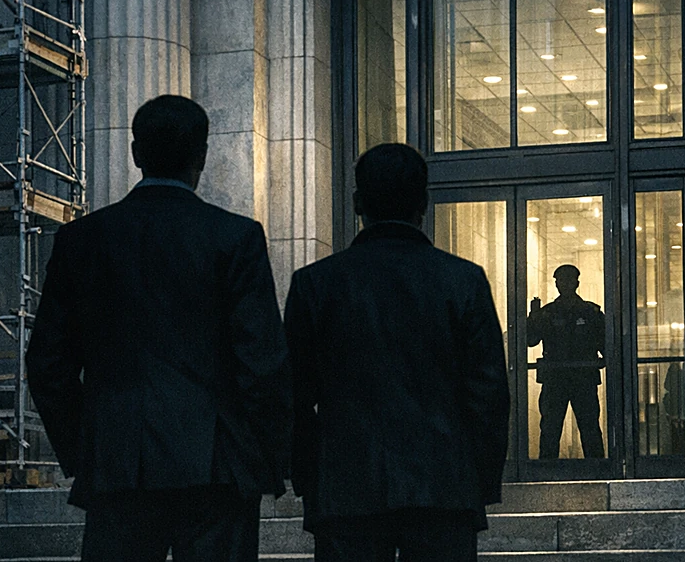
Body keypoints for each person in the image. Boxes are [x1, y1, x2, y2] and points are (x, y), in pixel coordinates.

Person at [26, 95, 291, 562]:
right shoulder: (236, 238)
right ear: (202, 156)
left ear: (135, 154)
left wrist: (85, 445)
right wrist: (265, 455)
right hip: (216, 460)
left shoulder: (82, 240)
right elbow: (262, 363)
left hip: (118, 457)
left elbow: (48, 363)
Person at [284, 143, 510, 562]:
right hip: (442, 487)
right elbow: (489, 394)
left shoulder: (315, 284)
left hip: (346, 486)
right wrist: (478, 480)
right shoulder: (463, 280)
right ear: (423, 203)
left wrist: (309, 476)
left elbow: (293, 395)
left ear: (357, 203)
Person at [527, 264, 606, 459]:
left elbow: (606, 346)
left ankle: (597, 469)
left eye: (569, 280)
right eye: (561, 280)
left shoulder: (591, 312)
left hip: (582, 377)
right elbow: (530, 340)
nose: (565, 284)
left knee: (589, 428)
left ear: (577, 283)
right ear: (556, 284)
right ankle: (547, 471)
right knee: (551, 429)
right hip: (556, 378)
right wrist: (533, 317)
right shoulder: (548, 313)